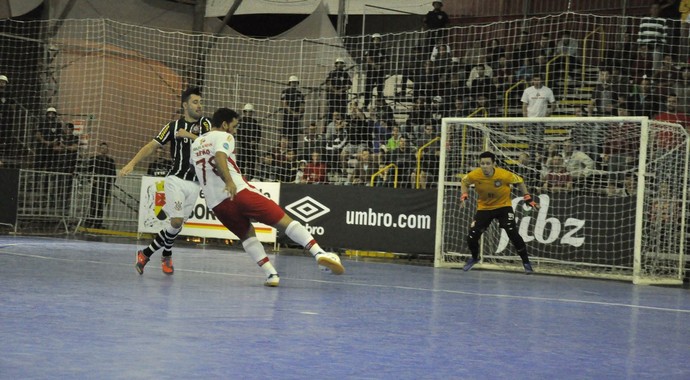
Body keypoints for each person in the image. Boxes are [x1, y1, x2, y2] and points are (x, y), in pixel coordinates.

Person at [190, 107, 345, 287]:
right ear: (224, 124)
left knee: (247, 235)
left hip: (216, 204)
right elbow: (219, 156)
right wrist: (229, 181)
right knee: (284, 221)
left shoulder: (196, 144)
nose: (235, 130)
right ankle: (319, 253)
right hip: (239, 192)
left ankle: (271, 274)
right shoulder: (225, 137)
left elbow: (196, 169)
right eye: (234, 126)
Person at [119, 87, 211, 275]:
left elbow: (209, 145)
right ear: (185, 105)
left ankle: (150, 253)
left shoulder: (206, 124)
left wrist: (189, 136)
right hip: (175, 179)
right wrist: (132, 163)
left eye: (200, 102)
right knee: (176, 221)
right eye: (195, 102)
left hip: (195, 184)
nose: (199, 105)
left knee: (175, 228)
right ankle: (160, 254)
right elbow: (152, 145)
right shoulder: (172, 127)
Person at [460, 151, 539, 274]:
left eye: (488, 163)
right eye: (482, 163)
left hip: (503, 207)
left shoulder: (504, 175)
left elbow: (520, 181)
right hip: (484, 209)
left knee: (512, 233)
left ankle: (526, 262)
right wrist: (464, 195)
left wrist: (527, 197)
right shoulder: (475, 175)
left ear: (494, 164)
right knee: (472, 236)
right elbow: (464, 181)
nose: (485, 166)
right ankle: (475, 258)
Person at [85, 141, 116, 228]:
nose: (104, 150)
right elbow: (88, 171)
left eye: (105, 148)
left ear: (107, 150)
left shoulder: (110, 161)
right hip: (96, 185)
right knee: (93, 203)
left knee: (101, 204)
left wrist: (110, 184)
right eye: (102, 148)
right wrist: (91, 180)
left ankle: (98, 223)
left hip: (105, 186)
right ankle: (90, 221)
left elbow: (113, 174)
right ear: (99, 149)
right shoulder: (93, 159)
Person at [235, 103, 262, 179]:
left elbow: (258, 133)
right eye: (247, 111)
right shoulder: (240, 122)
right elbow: (239, 135)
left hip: (252, 148)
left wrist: (255, 141)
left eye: (250, 111)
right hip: (243, 147)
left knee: (252, 163)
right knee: (240, 163)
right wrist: (246, 142)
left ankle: (251, 178)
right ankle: (239, 178)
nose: (248, 113)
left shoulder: (255, 123)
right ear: (244, 112)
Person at [280, 76, 305, 149]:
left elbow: (302, 105)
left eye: (295, 83)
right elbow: (284, 104)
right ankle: (283, 152)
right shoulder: (285, 92)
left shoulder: (299, 94)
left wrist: (299, 113)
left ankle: (294, 153)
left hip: (296, 119)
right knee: (285, 136)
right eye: (292, 82)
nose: (294, 84)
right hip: (287, 118)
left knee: (294, 137)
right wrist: (293, 112)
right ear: (289, 83)